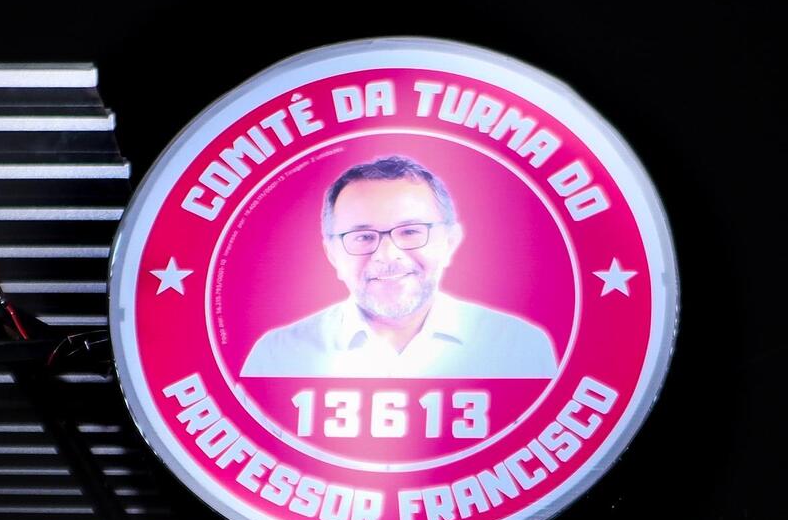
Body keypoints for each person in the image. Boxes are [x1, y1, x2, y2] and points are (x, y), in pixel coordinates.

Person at [238, 155, 558, 379]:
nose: (387, 255)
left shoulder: (520, 347)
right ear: (332, 254)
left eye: (410, 232)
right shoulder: (277, 357)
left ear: (450, 240)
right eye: (363, 236)